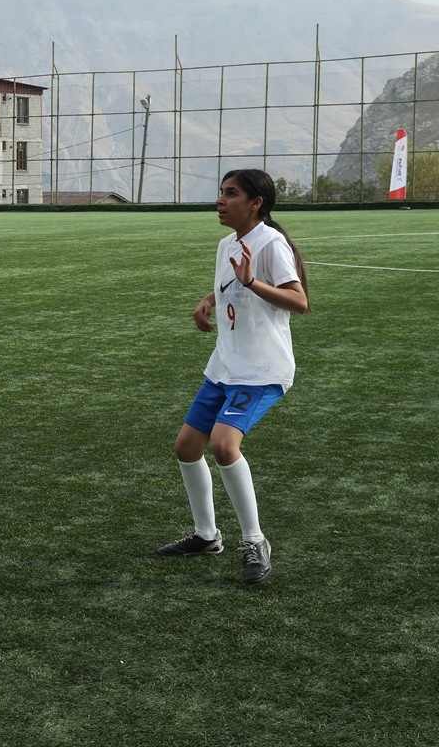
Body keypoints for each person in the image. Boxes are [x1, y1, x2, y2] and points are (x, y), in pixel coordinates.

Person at [157, 168, 310, 584]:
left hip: (260, 370)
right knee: (187, 446)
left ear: (255, 203)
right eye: (221, 192)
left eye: (231, 194)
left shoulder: (270, 242)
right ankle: (206, 535)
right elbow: (231, 285)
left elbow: (299, 302)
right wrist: (208, 299)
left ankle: (255, 541)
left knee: (225, 446)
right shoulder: (227, 243)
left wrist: (253, 281)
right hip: (225, 365)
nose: (221, 200)